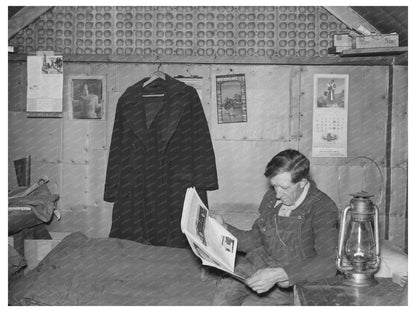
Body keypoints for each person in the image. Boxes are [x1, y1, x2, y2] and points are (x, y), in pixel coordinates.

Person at [211, 149, 339, 305]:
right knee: (223, 295)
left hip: (295, 277)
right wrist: (223, 228)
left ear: (302, 183)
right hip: (262, 263)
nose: (277, 194)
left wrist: (279, 274)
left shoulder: (322, 208)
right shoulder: (272, 198)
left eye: (284, 188)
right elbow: (254, 240)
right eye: (274, 186)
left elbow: (328, 263)